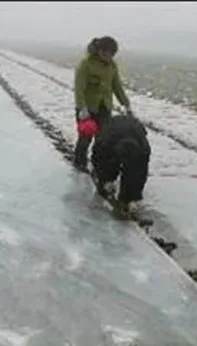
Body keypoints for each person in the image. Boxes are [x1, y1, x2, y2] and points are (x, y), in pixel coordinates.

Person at [73, 36, 132, 170]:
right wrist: (82, 108)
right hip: (87, 108)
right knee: (85, 137)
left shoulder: (112, 65)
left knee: (104, 139)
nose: (108, 56)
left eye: (111, 53)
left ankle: (98, 164)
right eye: (105, 52)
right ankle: (79, 163)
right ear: (98, 50)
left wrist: (126, 104)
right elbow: (79, 88)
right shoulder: (86, 64)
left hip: (104, 107)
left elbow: (117, 86)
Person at [90, 114, 151, 216]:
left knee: (135, 172)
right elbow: (97, 157)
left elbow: (141, 174)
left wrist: (133, 197)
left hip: (134, 129)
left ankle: (127, 198)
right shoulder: (105, 141)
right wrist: (104, 179)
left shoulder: (143, 149)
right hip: (112, 128)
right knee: (108, 164)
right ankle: (107, 182)